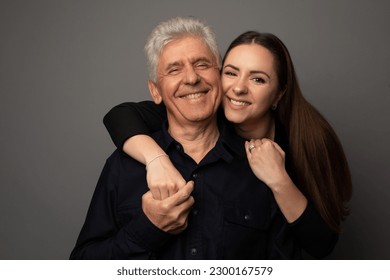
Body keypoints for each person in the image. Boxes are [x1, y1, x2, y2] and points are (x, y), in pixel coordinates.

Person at [103, 29, 353, 258]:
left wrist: (279, 180)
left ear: (279, 93)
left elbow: (321, 244)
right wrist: (156, 159)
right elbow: (120, 116)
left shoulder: (308, 138)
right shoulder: (200, 108)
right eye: (231, 73)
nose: (239, 88)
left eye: (258, 79)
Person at [70, 16, 299, 259]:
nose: (191, 78)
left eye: (201, 64)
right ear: (155, 91)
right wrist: (148, 228)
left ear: (220, 76)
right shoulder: (122, 167)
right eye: (174, 69)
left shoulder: (264, 166)